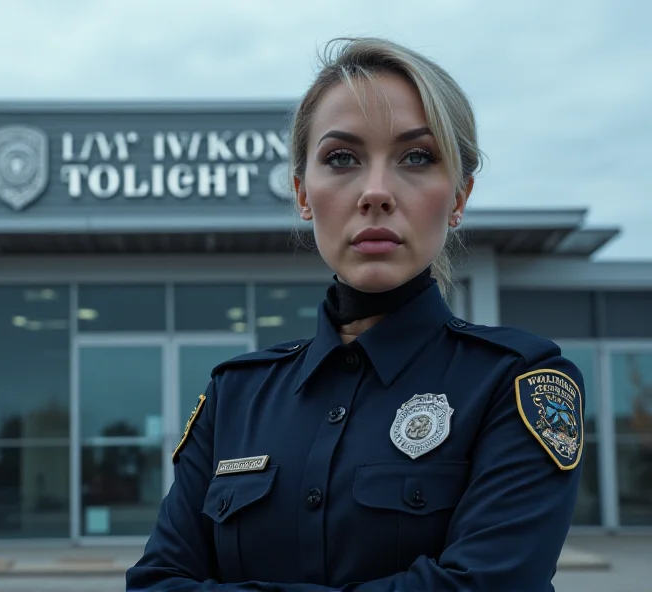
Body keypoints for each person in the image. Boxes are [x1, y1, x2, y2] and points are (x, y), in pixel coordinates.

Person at [125, 36, 586, 591]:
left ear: (459, 197)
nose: (375, 192)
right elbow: (156, 583)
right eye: (341, 158)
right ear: (302, 193)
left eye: (417, 157)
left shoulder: (517, 383)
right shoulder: (235, 397)